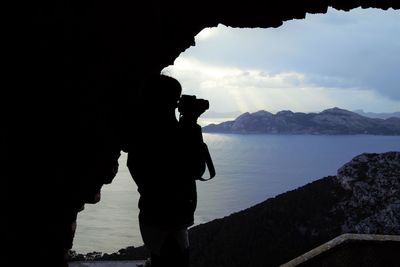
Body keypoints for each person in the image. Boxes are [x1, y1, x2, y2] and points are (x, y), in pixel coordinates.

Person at [125, 74, 206, 267]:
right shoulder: (169, 134)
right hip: (168, 220)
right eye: (175, 100)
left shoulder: (143, 131)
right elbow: (196, 169)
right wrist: (191, 124)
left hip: (155, 215)